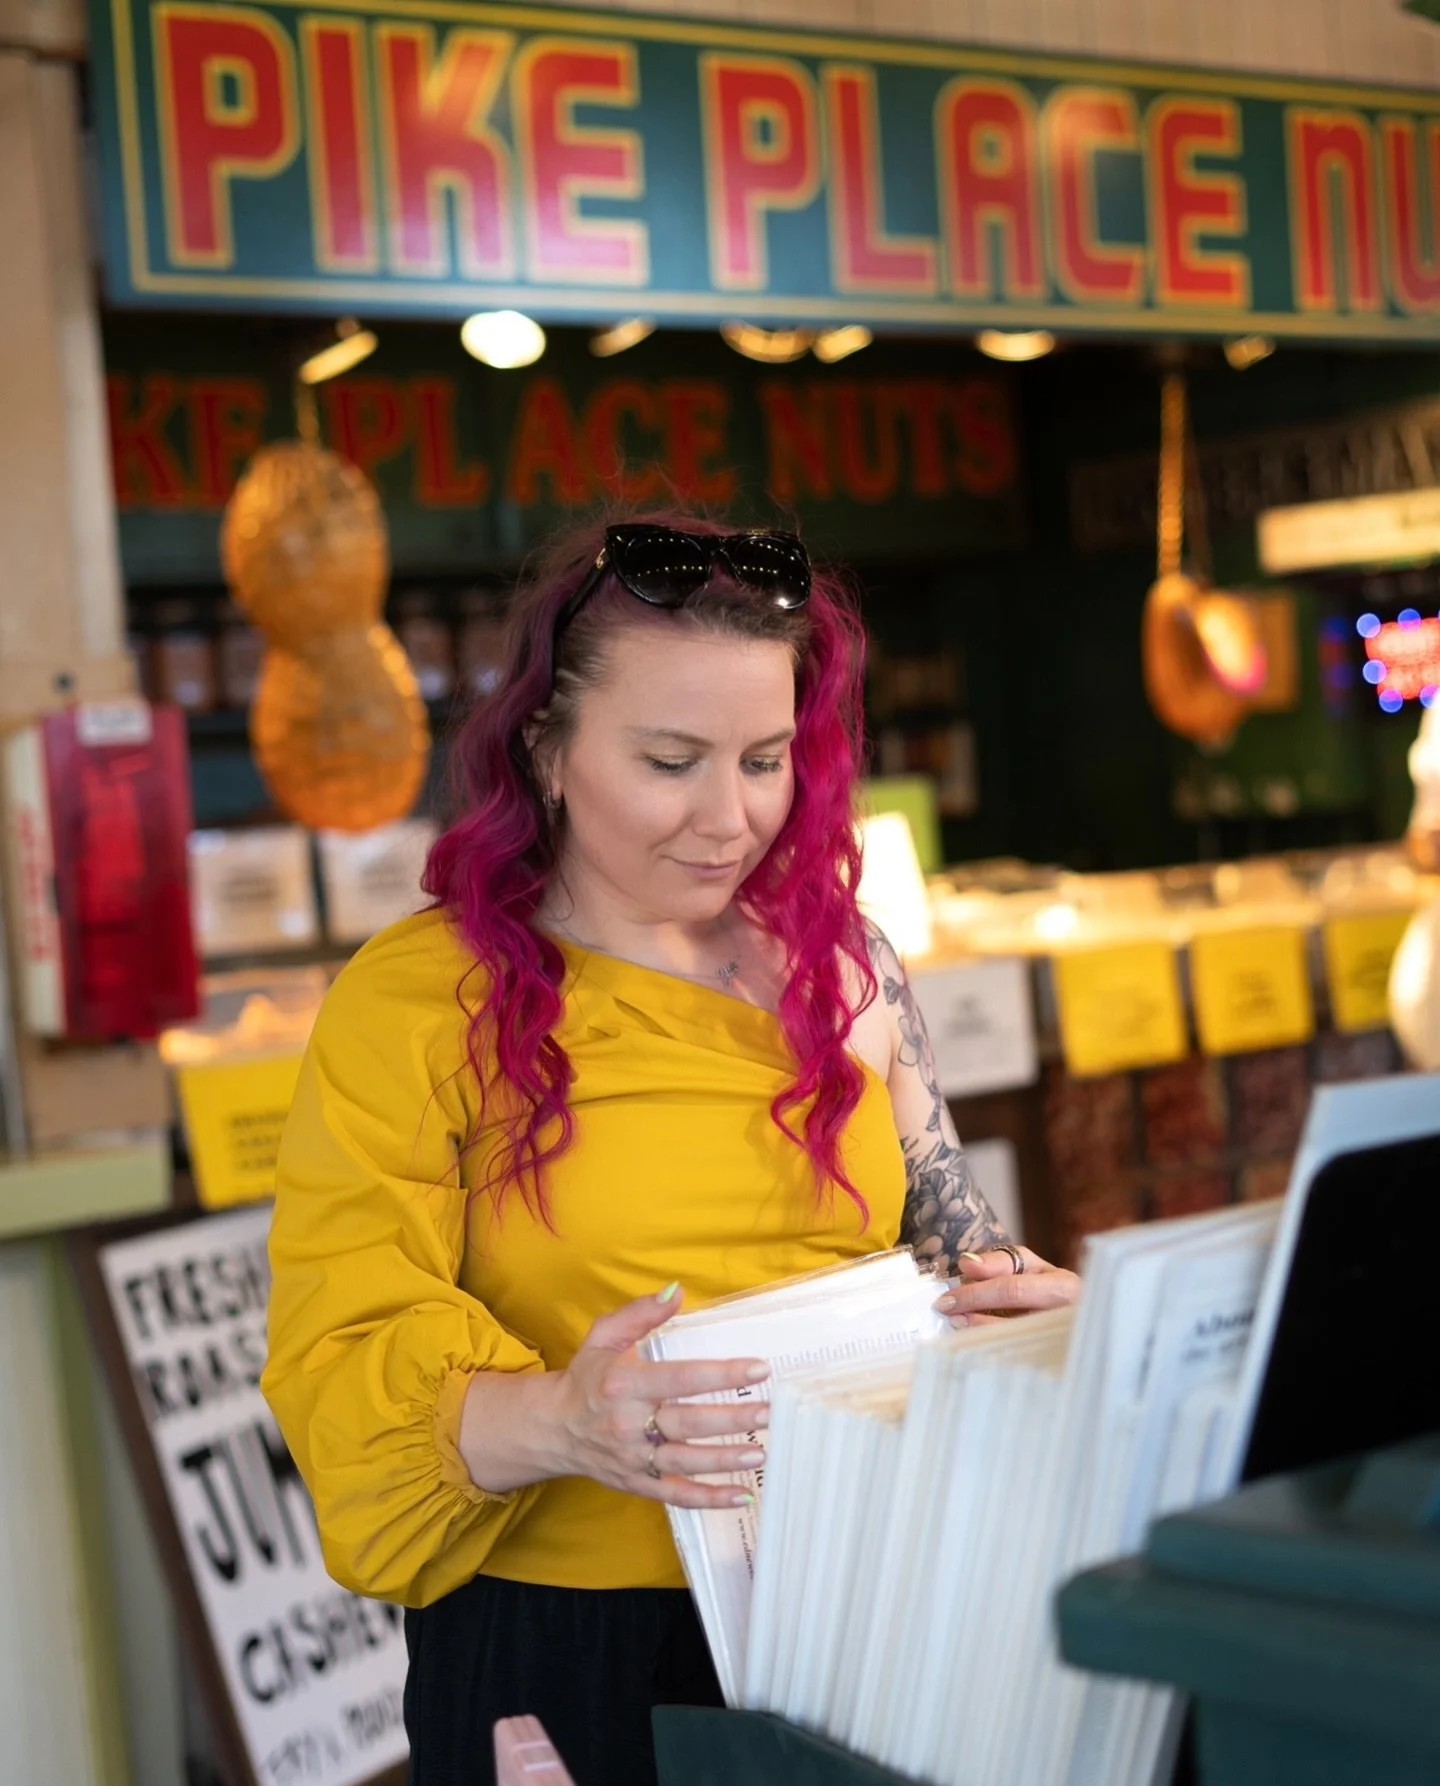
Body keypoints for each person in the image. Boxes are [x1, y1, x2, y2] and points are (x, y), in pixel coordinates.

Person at [262, 515, 1081, 1786]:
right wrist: (564, 1419)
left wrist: (1044, 1320)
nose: (730, 816)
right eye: (669, 760)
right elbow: (338, 1358)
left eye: (765, 758)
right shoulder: (421, 1002)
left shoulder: (844, 959)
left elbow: (949, 1246)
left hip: (861, 1604)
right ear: (545, 747)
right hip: (574, 1652)